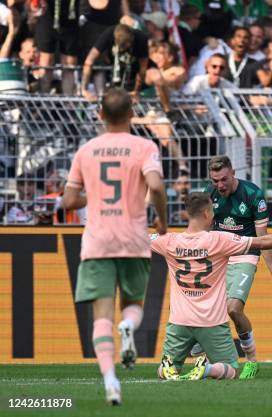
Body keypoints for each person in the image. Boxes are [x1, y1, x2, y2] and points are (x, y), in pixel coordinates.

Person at [62, 88, 168, 405]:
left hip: (97, 241)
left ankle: (111, 382)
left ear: (100, 115)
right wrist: (161, 220)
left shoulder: (87, 150)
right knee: (134, 306)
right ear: (132, 114)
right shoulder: (144, 147)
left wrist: (93, 196)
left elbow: (68, 200)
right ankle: (128, 327)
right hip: (133, 239)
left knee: (100, 318)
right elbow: (157, 186)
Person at [153, 192, 272, 381]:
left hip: (179, 322)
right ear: (207, 213)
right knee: (231, 371)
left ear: (187, 214)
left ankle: (168, 369)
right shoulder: (219, 240)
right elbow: (262, 241)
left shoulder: (167, 241)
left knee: (165, 370)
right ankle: (205, 369)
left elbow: (136, 238)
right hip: (211, 322)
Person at [188, 155, 272, 379]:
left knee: (233, 309)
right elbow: (202, 231)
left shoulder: (253, 195)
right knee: (204, 307)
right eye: (215, 180)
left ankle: (251, 361)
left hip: (245, 255)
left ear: (233, 172)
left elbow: (264, 241)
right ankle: (202, 354)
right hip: (219, 257)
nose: (220, 185)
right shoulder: (210, 194)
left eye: (223, 179)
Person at [81, 24, 149, 100]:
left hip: (134, 70)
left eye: (125, 46)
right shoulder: (108, 34)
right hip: (115, 70)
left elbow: (142, 69)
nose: (122, 49)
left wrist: (136, 91)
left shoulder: (141, 38)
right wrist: (84, 90)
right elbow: (89, 62)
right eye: (121, 46)